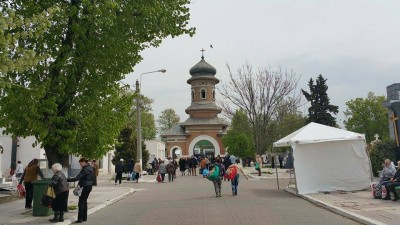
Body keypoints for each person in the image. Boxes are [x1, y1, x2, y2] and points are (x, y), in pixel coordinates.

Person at [67, 158, 93, 223]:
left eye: (80, 163)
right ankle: (84, 217)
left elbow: (77, 178)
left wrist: (67, 179)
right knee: (84, 201)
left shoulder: (84, 169)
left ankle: (79, 219)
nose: (80, 165)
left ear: (84, 162)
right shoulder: (90, 168)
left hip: (84, 186)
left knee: (81, 202)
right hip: (89, 186)